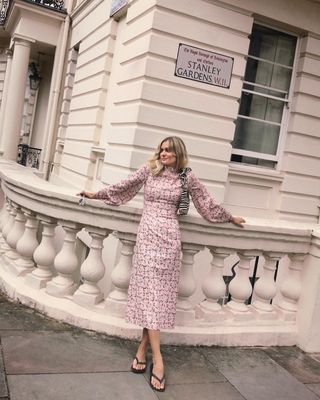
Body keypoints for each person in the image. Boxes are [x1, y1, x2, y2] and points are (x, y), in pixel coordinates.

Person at [78, 136, 245, 392]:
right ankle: (158, 360)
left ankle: (143, 350)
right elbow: (124, 187)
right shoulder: (150, 169)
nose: (163, 153)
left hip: (169, 240)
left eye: (168, 150)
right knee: (150, 295)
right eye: (161, 149)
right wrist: (95, 194)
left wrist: (230, 217)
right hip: (146, 239)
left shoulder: (186, 176)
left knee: (157, 297)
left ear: (178, 154)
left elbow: (206, 204)